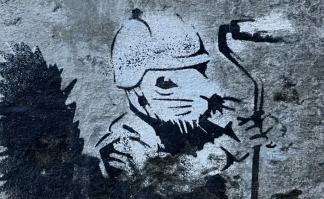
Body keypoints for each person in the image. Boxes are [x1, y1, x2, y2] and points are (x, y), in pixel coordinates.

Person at [97, 11, 276, 184]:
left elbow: (234, 128)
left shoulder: (187, 122)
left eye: (198, 75)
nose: (199, 93)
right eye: (166, 84)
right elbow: (162, 184)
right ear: (135, 92)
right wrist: (227, 149)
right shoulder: (122, 145)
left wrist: (264, 132)